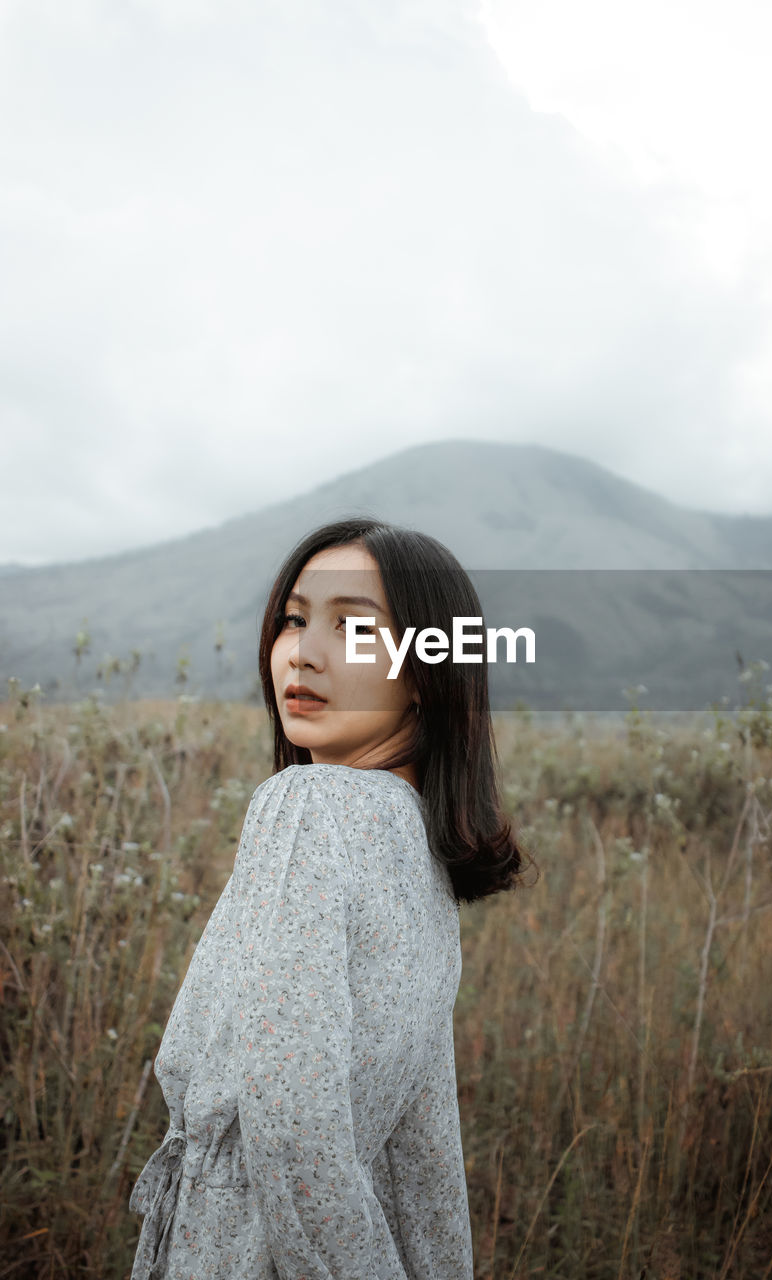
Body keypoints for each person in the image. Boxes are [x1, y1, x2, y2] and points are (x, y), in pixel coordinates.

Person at [128, 516, 533, 1279]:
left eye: (352, 628)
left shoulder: (312, 805)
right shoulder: (413, 841)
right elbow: (424, 1164)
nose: (303, 654)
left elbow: (292, 1127)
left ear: (426, 670)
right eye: (293, 620)